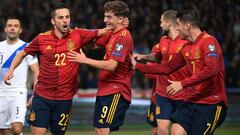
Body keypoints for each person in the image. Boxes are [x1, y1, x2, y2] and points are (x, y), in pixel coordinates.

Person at [3, 2, 111, 135]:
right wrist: (11, 70)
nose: (65, 20)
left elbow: (103, 31)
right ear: (53, 21)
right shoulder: (41, 39)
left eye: (67, 17)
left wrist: (119, 24)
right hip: (42, 97)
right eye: (61, 18)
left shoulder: (78, 34)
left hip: (64, 99)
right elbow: (22, 54)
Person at [132, 10, 228, 135]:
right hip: (192, 100)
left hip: (211, 103)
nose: (177, 28)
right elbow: (167, 68)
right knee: (176, 131)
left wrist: (182, 83)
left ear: (187, 26)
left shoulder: (209, 41)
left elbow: (212, 69)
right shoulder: (186, 47)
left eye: (178, 25)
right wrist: (138, 66)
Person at [68, 1, 133, 135]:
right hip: (104, 89)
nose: (105, 20)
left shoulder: (123, 37)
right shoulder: (111, 34)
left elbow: (112, 65)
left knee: (102, 129)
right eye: (105, 16)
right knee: (99, 129)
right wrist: (80, 34)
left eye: (109, 17)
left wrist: (85, 60)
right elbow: (93, 45)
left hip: (116, 90)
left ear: (121, 19)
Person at [133, 10, 189, 135]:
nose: (160, 25)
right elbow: (158, 56)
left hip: (182, 93)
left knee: (177, 132)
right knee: (161, 129)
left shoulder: (186, 41)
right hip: (163, 93)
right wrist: (144, 57)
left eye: (161, 21)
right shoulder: (163, 40)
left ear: (169, 23)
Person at [0, 16, 39, 135]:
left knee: (16, 128)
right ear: (5, 29)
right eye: (10, 26)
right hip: (1, 93)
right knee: (1, 130)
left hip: (18, 93)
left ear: (20, 30)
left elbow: (37, 72)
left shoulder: (27, 48)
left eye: (15, 26)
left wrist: (35, 94)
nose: (12, 28)